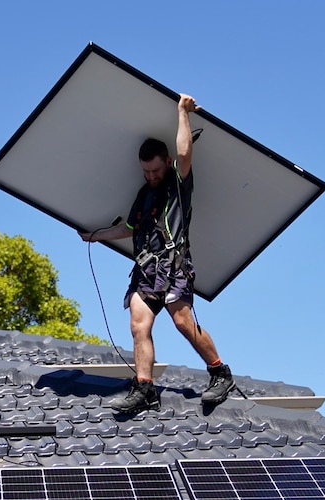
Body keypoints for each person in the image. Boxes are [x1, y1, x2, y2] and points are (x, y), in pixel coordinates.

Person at [80, 93, 236, 414]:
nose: (150, 176)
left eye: (154, 170)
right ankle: (145, 388)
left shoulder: (178, 184)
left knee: (182, 322)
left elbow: (183, 152)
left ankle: (220, 372)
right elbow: (128, 228)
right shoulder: (143, 195)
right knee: (139, 325)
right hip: (146, 270)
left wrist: (182, 112)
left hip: (175, 266)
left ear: (166, 163)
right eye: (145, 172)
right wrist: (95, 235)